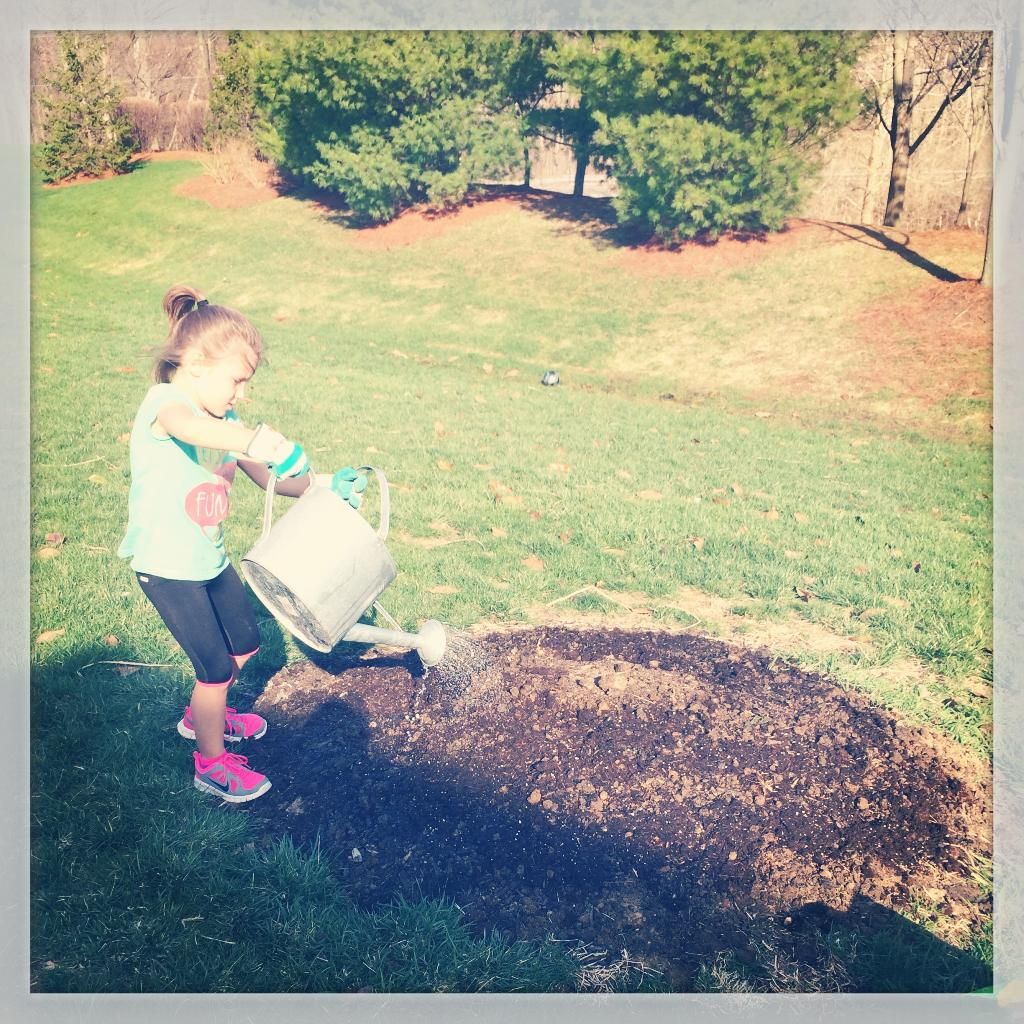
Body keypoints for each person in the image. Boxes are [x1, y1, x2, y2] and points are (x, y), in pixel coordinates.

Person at [118, 284, 363, 804]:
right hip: (168, 568)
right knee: (212, 670)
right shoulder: (166, 404)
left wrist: (325, 486)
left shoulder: (226, 422)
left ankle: (202, 717)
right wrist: (256, 438)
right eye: (236, 380)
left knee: (246, 644)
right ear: (195, 363)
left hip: (209, 561)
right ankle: (210, 765)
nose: (241, 394)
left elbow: (274, 479)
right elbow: (191, 429)